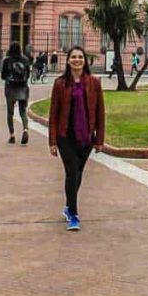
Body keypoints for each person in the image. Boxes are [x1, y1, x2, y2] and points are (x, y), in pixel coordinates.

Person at [48, 46, 105, 232]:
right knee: (72, 172)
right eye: (73, 57)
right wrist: (53, 141)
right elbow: (53, 114)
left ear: (85, 61)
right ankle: (73, 214)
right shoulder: (60, 84)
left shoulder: (94, 83)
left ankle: (67, 206)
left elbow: (100, 113)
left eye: (80, 57)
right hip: (66, 136)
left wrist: (99, 140)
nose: (77, 60)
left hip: (86, 137)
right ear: (68, 60)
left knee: (78, 173)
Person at [1, 41, 31, 145]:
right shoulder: (25, 60)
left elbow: (3, 75)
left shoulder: (7, 60)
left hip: (10, 88)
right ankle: (25, 129)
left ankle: (12, 135)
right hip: (23, 87)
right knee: (23, 111)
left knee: (10, 113)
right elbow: (28, 75)